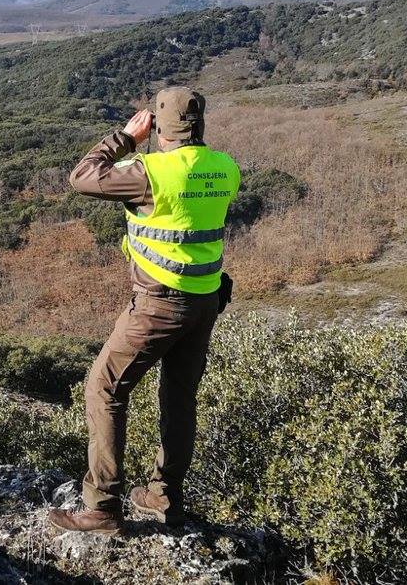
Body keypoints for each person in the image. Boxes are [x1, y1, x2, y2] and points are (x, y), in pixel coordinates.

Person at [47, 87, 240, 535]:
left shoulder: (149, 172)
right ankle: (163, 495)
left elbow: (82, 176)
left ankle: (100, 508)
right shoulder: (226, 169)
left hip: (158, 304)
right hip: (206, 301)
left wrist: (128, 138)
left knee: (104, 389)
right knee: (178, 398)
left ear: (157, 122)